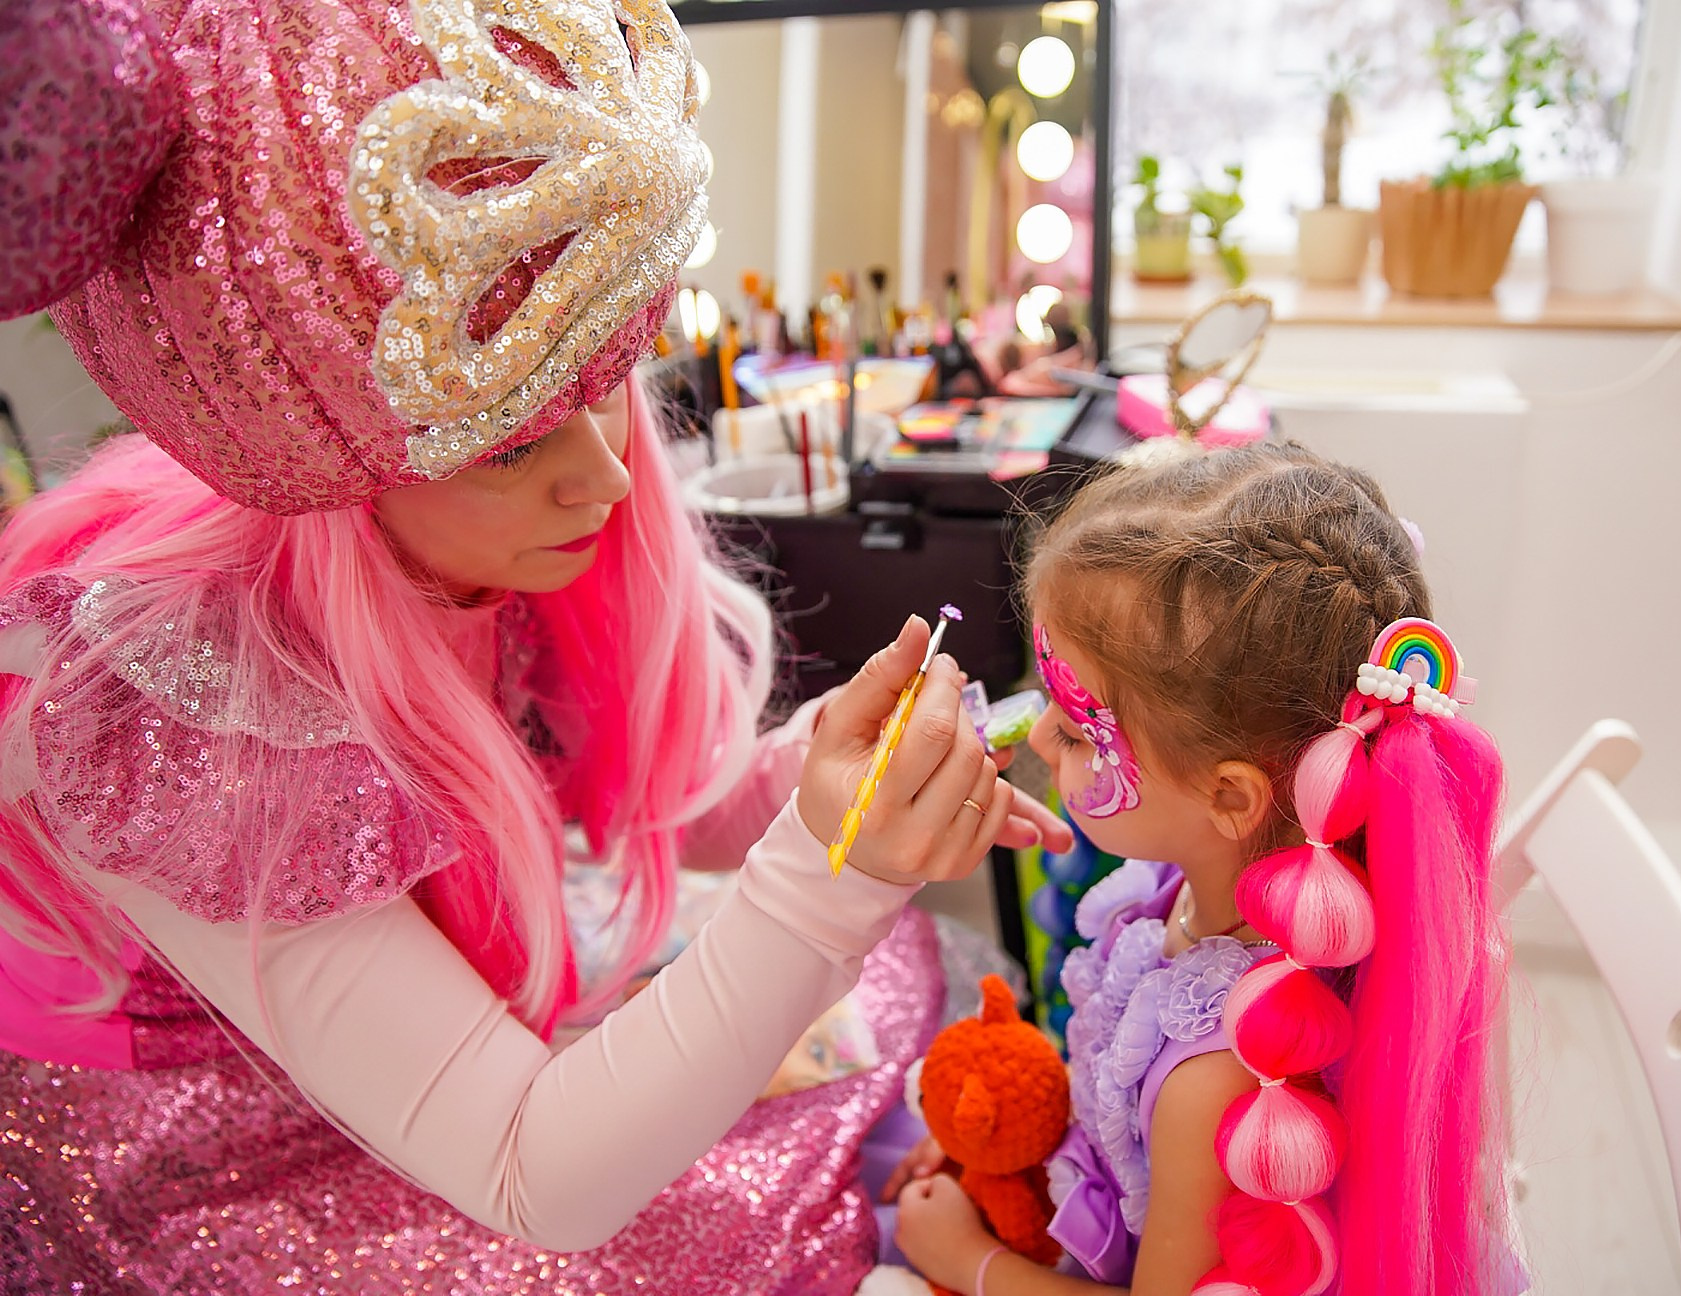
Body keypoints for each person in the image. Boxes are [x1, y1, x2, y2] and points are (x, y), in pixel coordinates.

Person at [0, 1, 1069, 1291]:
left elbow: (664, 803)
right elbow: (536, 1179)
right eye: (511, 438)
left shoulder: (482, 542)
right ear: (336, 453)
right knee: (741, 1210)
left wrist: (816, 784)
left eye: (609, 373)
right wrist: (828, 880)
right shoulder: (181, 711)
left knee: (888, 976)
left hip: (435, 1072)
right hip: (217, 1168)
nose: (612, 478)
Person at [889, 443, 1517, 1296]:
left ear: (1230, 797)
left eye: (1077, 732)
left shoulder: (1215, 1078)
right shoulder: (1190, 881)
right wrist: (1018, 1135)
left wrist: (971, 1262)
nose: (1037, 741)